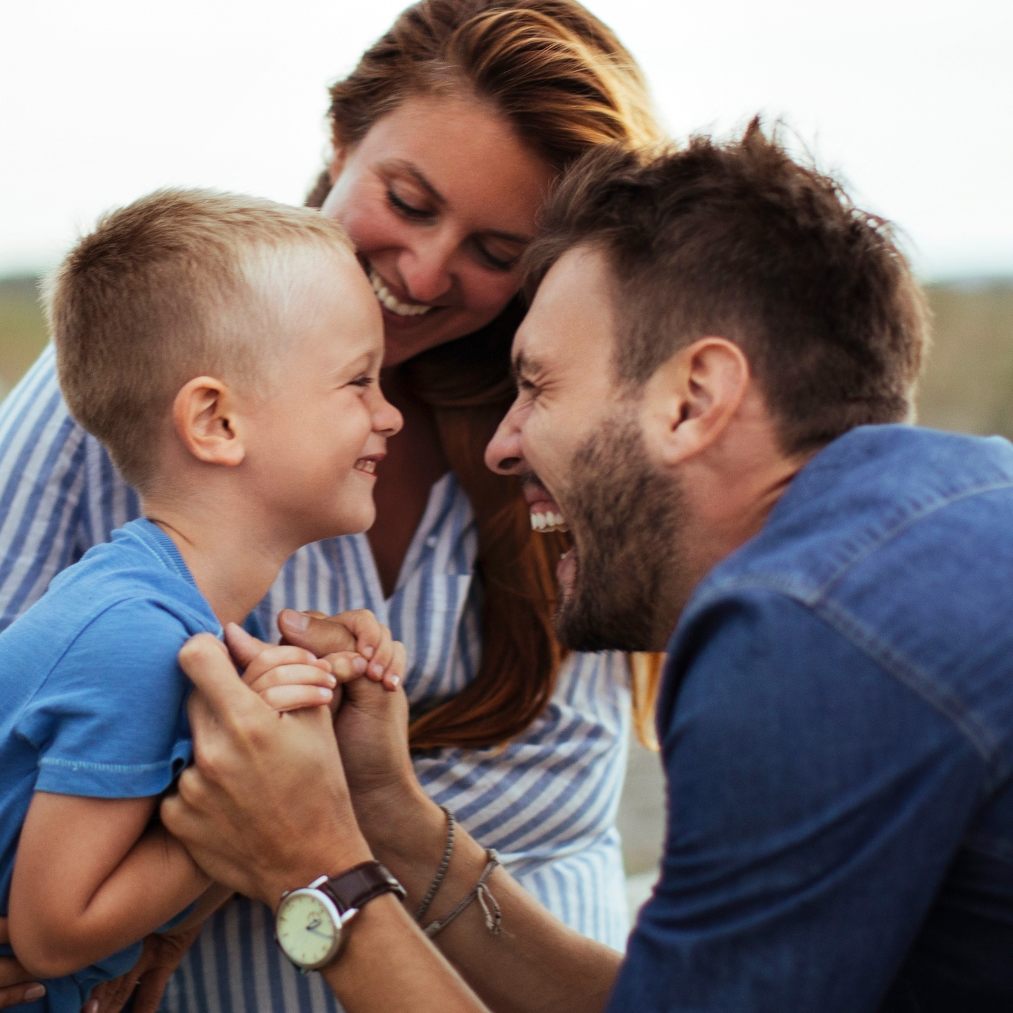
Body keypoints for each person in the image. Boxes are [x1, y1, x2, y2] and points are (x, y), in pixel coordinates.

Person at [154, 122, 1012, 1010]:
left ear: (692, 399)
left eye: (537, 385)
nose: (501, 444)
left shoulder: (808, 634)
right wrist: (389, 821)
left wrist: (315, 868)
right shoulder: (951, 521)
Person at [0, 1, 665, 1008]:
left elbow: (552, 793)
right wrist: (264, 801)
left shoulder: (563, 432)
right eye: (407, 198)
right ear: (342, 137)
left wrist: (281, 798)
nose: (426, 269)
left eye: (495, 252)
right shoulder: (134, 377)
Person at [0, 188, 410, 1011]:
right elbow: (51, 930)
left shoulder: (213, 623)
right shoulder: (134, 641)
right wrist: (247, 817)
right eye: (358, 382)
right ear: (218, 422)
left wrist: (314, 715)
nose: (390, 414)